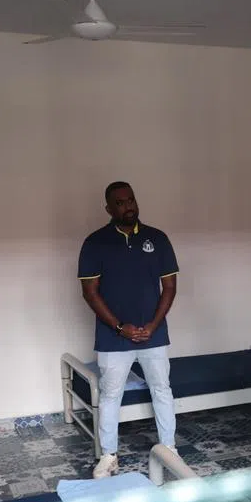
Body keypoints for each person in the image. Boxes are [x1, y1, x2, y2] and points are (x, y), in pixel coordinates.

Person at [77, 181, 179, 479]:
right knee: (110, 395)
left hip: (153, 334)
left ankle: (169, 448)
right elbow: (90, 292)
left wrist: (153, 325)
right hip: (113, 337)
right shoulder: (95, 243)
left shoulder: (157, 238)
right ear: (109, 208)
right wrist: (120, 328)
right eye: (120, 203)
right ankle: (108, 456)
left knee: (162, 390)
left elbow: (169, 287)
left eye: (130, 200)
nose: (128, 206)